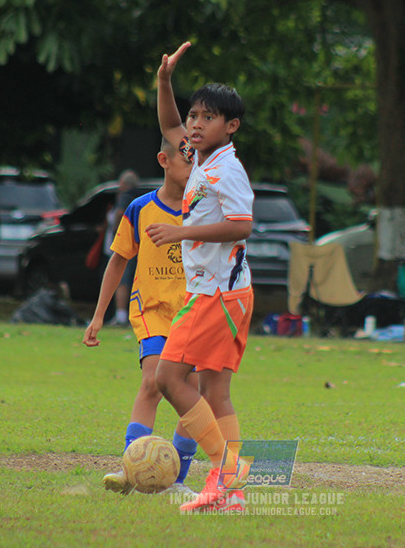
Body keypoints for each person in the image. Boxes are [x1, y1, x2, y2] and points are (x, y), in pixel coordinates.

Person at [150, 41, 255, 514]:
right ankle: (229, 492)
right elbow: (168, 126)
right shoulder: (198, 156)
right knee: (215, 392)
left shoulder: (226, 169)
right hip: (226, 293)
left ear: (230, 127)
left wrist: (180, 232)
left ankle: (224, 470)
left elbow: (241, 225)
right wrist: (165, 82)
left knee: (169, 377)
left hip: (216, 294)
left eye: (206, 117)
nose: (193, 124)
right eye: (194, 115)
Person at [83, 138, 197, 497]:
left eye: (199, 160)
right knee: (153, 382)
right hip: (151, 310)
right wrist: (99, 316)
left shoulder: (204, 212)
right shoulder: (139, 208)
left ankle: (176, 480)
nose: (194, 167)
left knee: (191, 396)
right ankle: (131, 467)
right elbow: (118, 260)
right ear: (163, 159)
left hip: (193, 313)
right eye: (186, 159)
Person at [104, 169, 140, 324]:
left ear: (123, 184)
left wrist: (117, 234)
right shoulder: (139, 196)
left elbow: (119, 213)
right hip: (138, 242)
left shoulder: (125, 197)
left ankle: (120, 315)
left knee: (121, 279)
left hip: (125, 244)